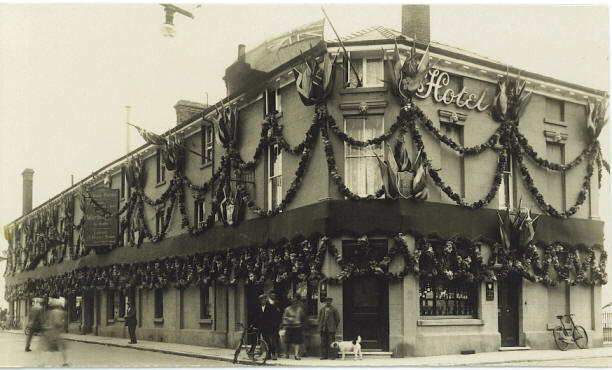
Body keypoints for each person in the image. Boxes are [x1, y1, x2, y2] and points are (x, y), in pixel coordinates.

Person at [250, 293, 279, 360]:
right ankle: (253, 354)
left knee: (269, 341)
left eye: (264, 299)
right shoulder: (258, 307)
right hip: (260, 326)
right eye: (261, 300)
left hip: (268, 327)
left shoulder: (270, 307)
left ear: (266, 299)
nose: (263, 301)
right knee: (256, 339)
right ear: (260, 300)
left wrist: (274, 324)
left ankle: (273, 354)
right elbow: (256, 317)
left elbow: (274, 316)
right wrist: (252, 324)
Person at [41, 298, 68, 367]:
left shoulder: (51, 312)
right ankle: (65, 362)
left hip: (51, 332)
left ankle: (44, 363)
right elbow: (57, 322)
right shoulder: (59, 312)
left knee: (50, 349)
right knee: (61, 348)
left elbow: (48, 322)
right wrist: (62, 324)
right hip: (56, 332)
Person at [281, 296, 306, 360]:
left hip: (297, 326)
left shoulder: (300, 309)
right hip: (289, 326)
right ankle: (286, 354)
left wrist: (302, 324)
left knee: (297, 341)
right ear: (291, 303)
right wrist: (289, 319)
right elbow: (284, 317)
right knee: (287, 341)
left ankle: (296, 355)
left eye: (295, 302)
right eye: (293, 302)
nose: (294, 304)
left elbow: (303, 317)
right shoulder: (287, 309)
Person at [267, 292, 282, 360]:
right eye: (272, 295)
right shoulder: (267, 303)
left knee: (274, 340)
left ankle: (274, 354)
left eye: (275, 295)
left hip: (275, 325)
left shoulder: (277, 303)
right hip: (268, 325)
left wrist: (278, 323)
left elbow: (279, 314)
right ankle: (269, 354)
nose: (274, 296)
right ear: (270, 295)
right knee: (269, 340)